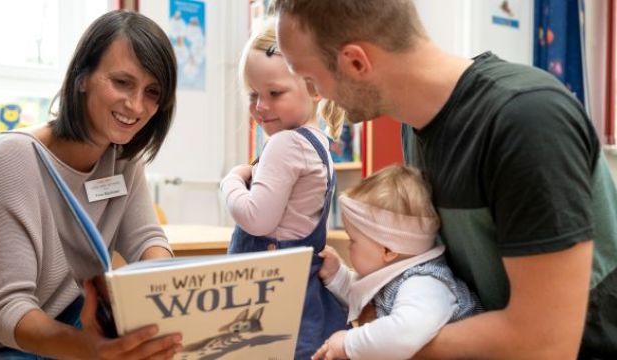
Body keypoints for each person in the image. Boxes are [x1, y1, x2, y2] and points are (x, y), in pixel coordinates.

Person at [273, 0, 617, 358]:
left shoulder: (527, 121)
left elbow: (544, 342)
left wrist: (374, 345)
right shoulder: (415, 126)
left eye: (311, 79)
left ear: (356, 62)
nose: (316, 96)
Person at [0, 10, 183, 359]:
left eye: (152, 92)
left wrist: (164, 297)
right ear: (82, 78)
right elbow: (10, 312)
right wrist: (92, 351)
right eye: (122, 82)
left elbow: (147, 242)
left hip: (39, 328)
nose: (137, 105)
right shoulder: (12, 160)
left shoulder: (122, 159)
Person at [220, 18, 348, 359]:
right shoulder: (319, 143)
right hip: (301, 294)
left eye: (274, 93)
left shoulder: (285, 144)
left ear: (314, 87)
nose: (260, 106)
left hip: (269, 297)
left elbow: (256, 219)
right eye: (253, 95)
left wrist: (231, 180)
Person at [312, 165, 481, 360]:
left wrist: (348, 343)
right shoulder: (396, 276)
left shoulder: (424, 282)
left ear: (388, 250)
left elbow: (403, 333)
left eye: (353, 240)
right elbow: (365, 297)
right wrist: (337, 275)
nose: (349, 247)